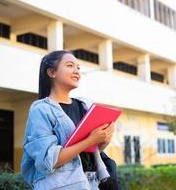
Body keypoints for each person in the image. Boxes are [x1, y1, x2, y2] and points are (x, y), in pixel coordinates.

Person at [21, 50, 118, 189]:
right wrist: (91, 140)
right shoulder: (41, 109)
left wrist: (102, 141)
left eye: (78, 67)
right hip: (60, 185)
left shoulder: (85, 105)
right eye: (70, 65)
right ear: (52, 73)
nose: (77, 71)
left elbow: (87, 153)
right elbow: (49, 161)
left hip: (91, 183)